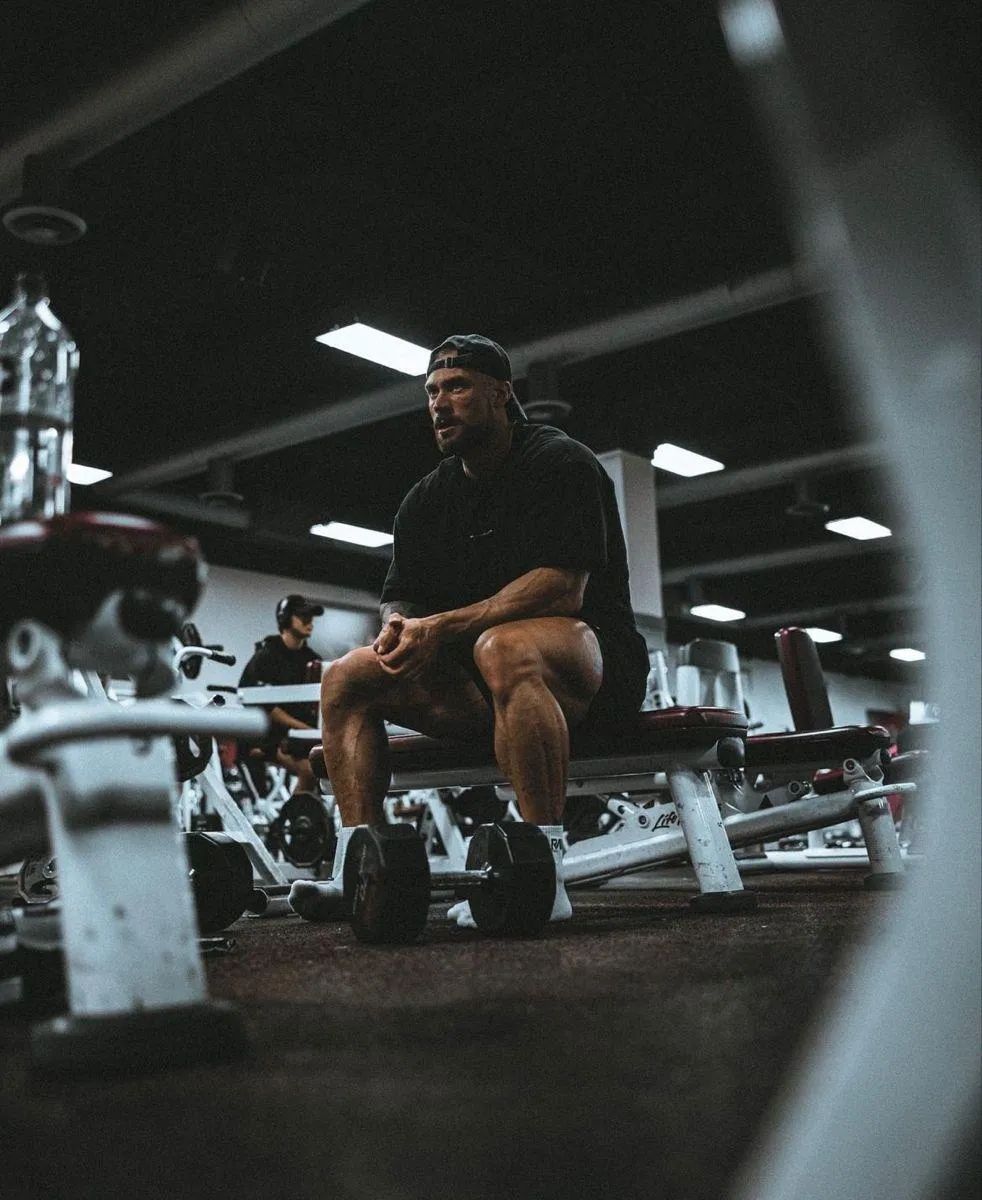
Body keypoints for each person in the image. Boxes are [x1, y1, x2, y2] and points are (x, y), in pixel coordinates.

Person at [290, 334, 649, 924]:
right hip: (480, 686)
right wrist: (399, 630)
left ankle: (544, 875)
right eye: (431, 392)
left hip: (591, 672)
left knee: (502, 645)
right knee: (345, 674)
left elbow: (563, 588)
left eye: (456, 387)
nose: (439, 403)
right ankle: (358, 871)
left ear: (501, 394)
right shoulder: (425, 501)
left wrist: (441, 628)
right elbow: (399, 598)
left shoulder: (560, 463)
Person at [237, 594, 324, 795]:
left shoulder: (313, 660)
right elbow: (263, 707)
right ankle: (297, 823)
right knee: (310, 771)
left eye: (311, 617)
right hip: (269, 736)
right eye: (303, 616)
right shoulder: (266, 656)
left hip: (303, 734)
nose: (309, 622)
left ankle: (309, 817)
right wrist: (305, 728)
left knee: (330, 769)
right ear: (286, 619)